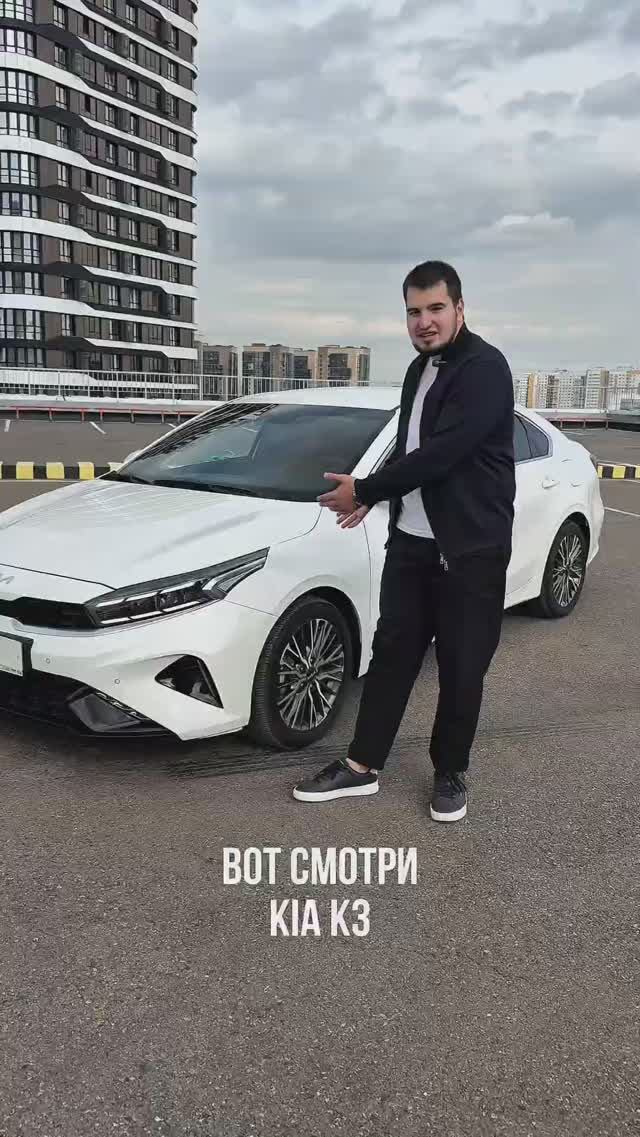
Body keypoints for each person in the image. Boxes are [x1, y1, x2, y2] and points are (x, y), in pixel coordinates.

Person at [292, 260, 516, 822]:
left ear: (459, 308)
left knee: (462, 667)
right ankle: (362, 765)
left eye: (436, 308)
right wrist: (375, 494)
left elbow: (445, 453)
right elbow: (412, 447)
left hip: (469, 551)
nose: (424, 321)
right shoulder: (419, 371)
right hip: (412, 543)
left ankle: (450, 772)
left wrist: (367, 487)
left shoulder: (486, 369)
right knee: (391, 657)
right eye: (414, 311)